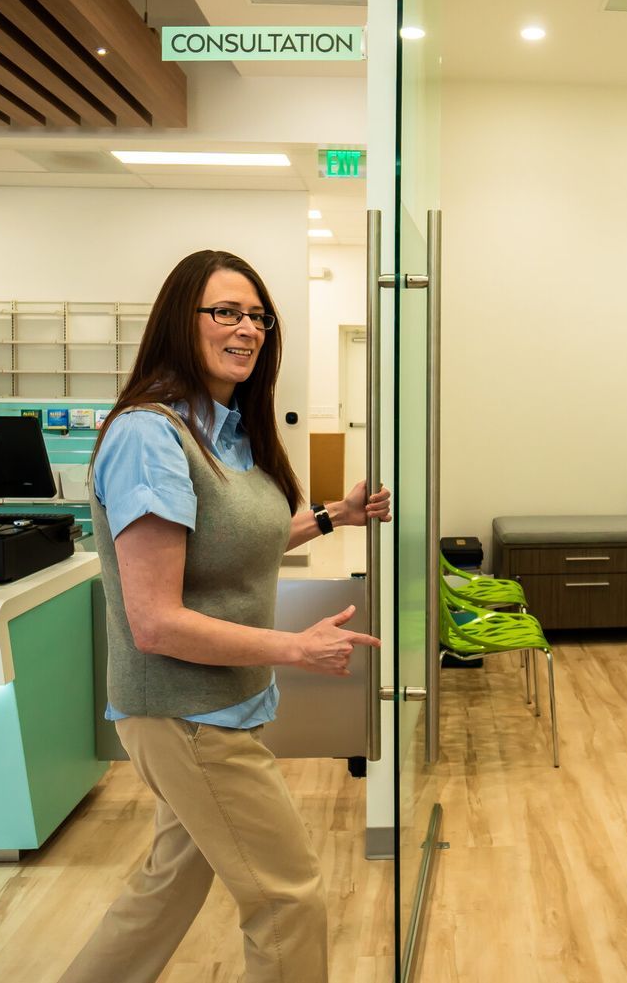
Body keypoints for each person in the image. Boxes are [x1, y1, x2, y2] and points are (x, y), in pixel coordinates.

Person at [61, 249, 389, 983]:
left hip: (220, 706)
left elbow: (236, 542)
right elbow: (155, 620)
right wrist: (292, 647)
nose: (247, 329)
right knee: (286, 895)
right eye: (226, 312)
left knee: (168, 885)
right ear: (182, 318)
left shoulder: (227, 428)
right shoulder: (150, 436)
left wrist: (337, 515)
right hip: (186, 714)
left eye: (257, 316)